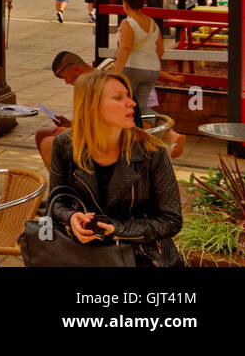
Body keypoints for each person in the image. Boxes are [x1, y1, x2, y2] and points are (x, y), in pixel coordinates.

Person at [48, 71, 183, 266]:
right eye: (119, 98)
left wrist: (115, 229)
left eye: (128, 95)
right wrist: (72, 218)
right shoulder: (65, 145)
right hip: (81, 252)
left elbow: (171, 220)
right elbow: (56, 202)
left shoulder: (152, 151)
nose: (132, 103)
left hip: (142, 254)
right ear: (92, 106)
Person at [36, 50, 184, 168]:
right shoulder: (96, 80)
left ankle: (67, 192)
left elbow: (105, 125)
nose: (67, 83)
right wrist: (69, 125)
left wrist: (71, 133)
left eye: (66, 78)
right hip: (103, 133)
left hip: (114, 139)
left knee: (51, 143)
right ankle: (62, 189)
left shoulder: (100, 85)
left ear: (76, 69)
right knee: (43, 135)